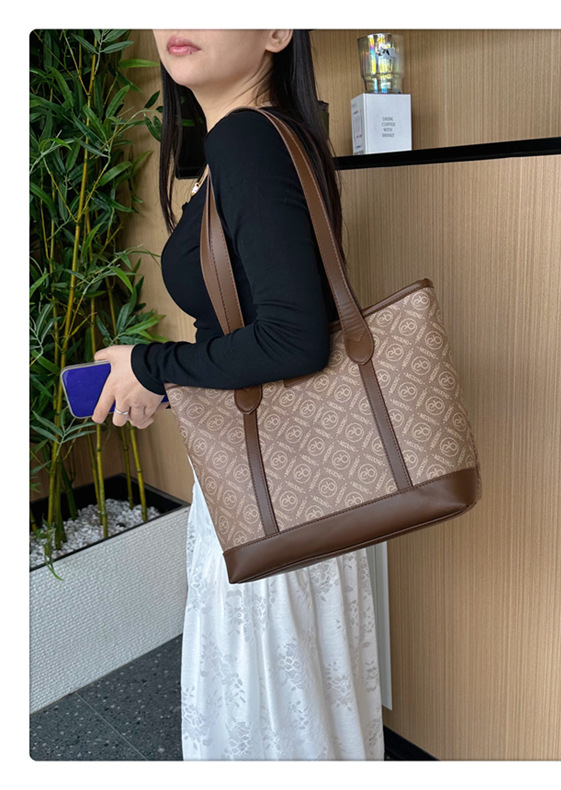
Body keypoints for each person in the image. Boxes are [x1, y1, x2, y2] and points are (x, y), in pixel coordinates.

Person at [91, 29, 386, 760]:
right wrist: (170, 380)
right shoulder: (274, 134)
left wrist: (152, 365)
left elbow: (294, 340)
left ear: (277, 30)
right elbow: (254, 323)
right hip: (296, 479)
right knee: (303, 708)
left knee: (270, 714)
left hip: (266, 489)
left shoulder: (247, 140)